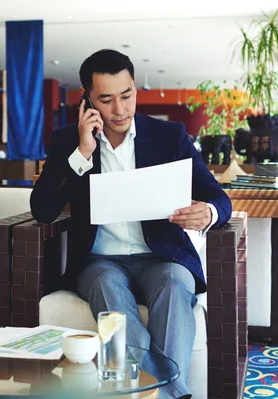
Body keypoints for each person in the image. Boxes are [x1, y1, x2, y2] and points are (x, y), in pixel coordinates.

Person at [30, 49, 232, 399]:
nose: (120, 109)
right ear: (87, 100)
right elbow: (42, 209)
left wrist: (209, 212)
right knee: (108, 286)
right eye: (106, 100)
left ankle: (147, 393)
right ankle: (171, 393)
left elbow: (217, 196)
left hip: (162, 258)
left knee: (175, 285)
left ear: (135, 88)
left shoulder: (170, 136)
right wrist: (82, 152)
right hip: (100, 261)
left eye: (127, 96)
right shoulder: (69, 141)